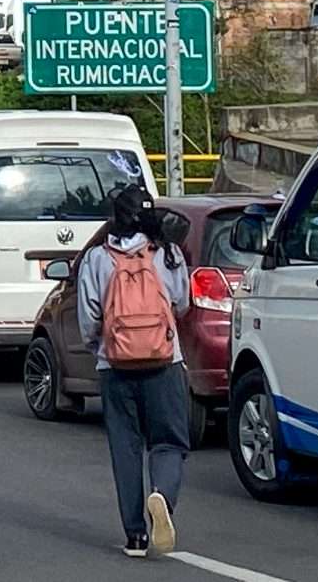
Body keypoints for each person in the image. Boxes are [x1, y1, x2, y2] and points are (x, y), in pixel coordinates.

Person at [78, 182, 193, 558]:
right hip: (164, 362)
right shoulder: (169, 253)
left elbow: (88, 320)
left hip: (114, 365)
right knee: (169, 441)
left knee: (125, 448)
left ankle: (135, 536)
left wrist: (106, 348)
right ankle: (161, 495)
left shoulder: (97, 258)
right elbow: (180, 304)